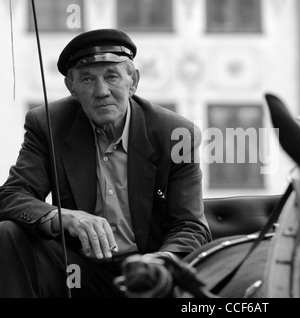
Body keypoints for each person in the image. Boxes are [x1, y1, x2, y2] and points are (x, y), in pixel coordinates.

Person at [0, 28, 211, 297]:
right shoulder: (48, 124)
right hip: (76, 269)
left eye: (112, 77)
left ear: (133, 81)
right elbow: (11, 196)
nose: (102, 91)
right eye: (87, 79)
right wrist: (63, 217)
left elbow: (190, 225)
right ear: (72, 87)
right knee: (8, 232)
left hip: (147, 269)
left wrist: (157, 263)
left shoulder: (177, 134)